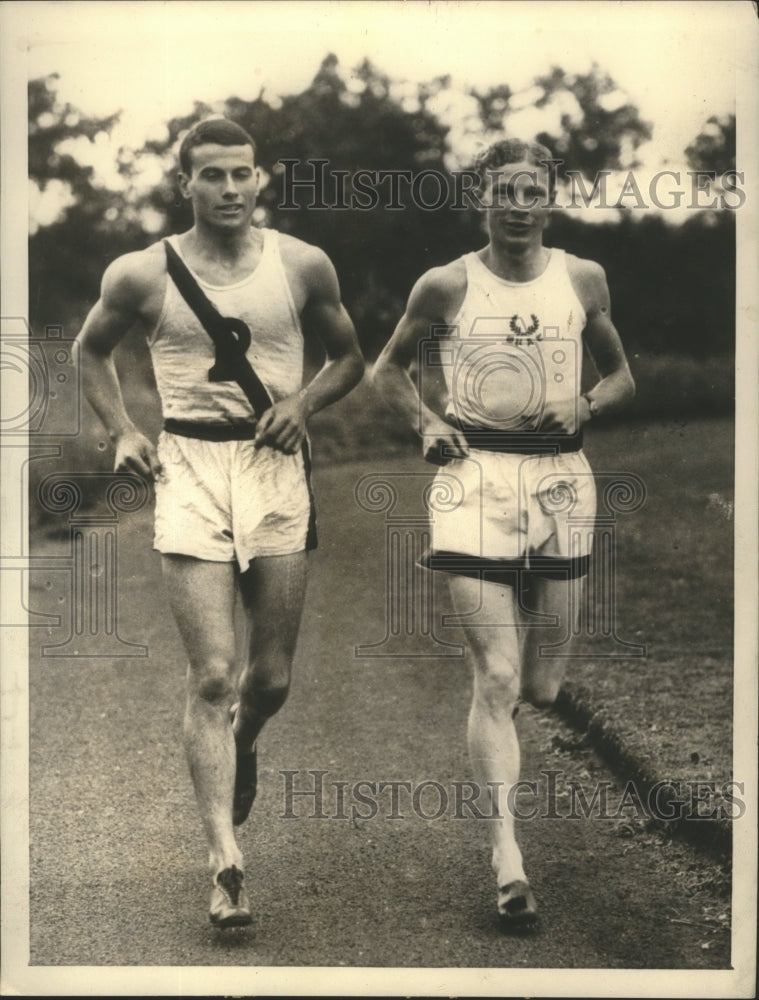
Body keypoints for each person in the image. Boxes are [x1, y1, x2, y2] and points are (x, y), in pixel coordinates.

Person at [77, 118, 364, 928]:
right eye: (212, 176)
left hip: (273, 473)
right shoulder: (141, 273)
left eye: (242, 174)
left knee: (267, 681)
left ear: (260, 179)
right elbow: (90, 354)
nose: (229, 189)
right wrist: (123, 429)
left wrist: (302, 402)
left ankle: (244, 743)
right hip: (190, 472)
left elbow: (351, 358)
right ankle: (224, 863)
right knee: (212, 675)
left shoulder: (301, 264)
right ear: (186, 184)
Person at [372, 138, 635, 929]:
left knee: (540, 686)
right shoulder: (446, 283)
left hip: (559, 477)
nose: (517, 205)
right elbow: (385, 369)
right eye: (504, 191)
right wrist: (423, 423)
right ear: (480, 198)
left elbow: (622, 375)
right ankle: (507, 859)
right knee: (494, 678)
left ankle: (531, 715)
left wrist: (583, 405)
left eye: (532, 191)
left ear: (549, 200)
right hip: (475, 478)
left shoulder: (581, 278)